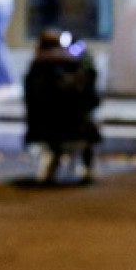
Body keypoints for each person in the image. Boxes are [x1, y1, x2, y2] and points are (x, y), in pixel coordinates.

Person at [23, 29, 102, 184]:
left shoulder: (35, 69)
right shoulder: (79, 66)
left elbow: (30, 103)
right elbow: (92, 99)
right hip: (80, 127)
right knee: (89, 118)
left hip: (43, 128)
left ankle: (53, 164)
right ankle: (87, 166)